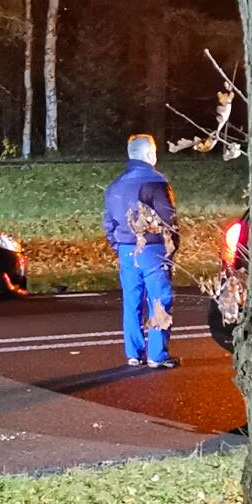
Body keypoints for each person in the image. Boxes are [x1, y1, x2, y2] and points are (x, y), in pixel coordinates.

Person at [102, 134, 181, 369]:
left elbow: (109, 223)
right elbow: (168, 221)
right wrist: (172, 249)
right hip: (153, 248)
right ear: (149, 154)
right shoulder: (156, 182)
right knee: (159, 299)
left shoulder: (115, 185)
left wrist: (118, 246)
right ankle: (157, 354)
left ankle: (134, 353)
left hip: (126, 250)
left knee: (132, 301)